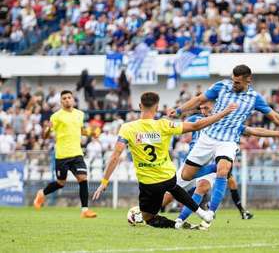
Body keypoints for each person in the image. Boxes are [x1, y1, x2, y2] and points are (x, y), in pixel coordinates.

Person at [168, 65, 279, 228]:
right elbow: (199, 99)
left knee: (223, 170)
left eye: (237, 82)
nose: (234, 84)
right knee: (187, 176)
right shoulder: (221, 86)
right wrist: (179, 110)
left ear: (248, 80)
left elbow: (274, 117)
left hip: (228, 141)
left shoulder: (254, 98)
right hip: (208, 137)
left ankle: (210, 213)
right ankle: (211, 172)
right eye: (233, 80)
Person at [92, 92, 237, 229]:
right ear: (157, 107)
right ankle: (201, 213)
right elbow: (195, 126)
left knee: (149, 218)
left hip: (148, 182)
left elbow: (115, 155)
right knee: (174, 187)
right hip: (167, 176)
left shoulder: (127, 128)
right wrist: (223, 113)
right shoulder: (164, 124)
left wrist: (104, 182)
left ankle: (176, 224)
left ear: (140, 106)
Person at [162, 101, 279, 223]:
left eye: (206, 108)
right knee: (168, 196)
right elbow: (178, 127)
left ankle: (180, 221)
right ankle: (147, 213)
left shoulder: (228, 124)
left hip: (211, 161)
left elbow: (253, 130)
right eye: (201, 108)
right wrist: (171, 117)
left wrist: (277, 133)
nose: (203, 111)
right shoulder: (194, 119)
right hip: (191, 162)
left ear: (216, 106)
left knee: (202, 187)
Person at [33, 90, 97, 218]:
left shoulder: (80, 114)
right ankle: (41, 193)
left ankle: (85, 210)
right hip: (62, 155)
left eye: (69, 97)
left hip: (77, 153)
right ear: (61, 101)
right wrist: (46, 129)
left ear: (73, 100)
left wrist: (91, 132)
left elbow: (81, 130)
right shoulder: (56, 116)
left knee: (83, 179)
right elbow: (45, 135)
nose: (67, 100)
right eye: (64, 98)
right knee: (61, 183)